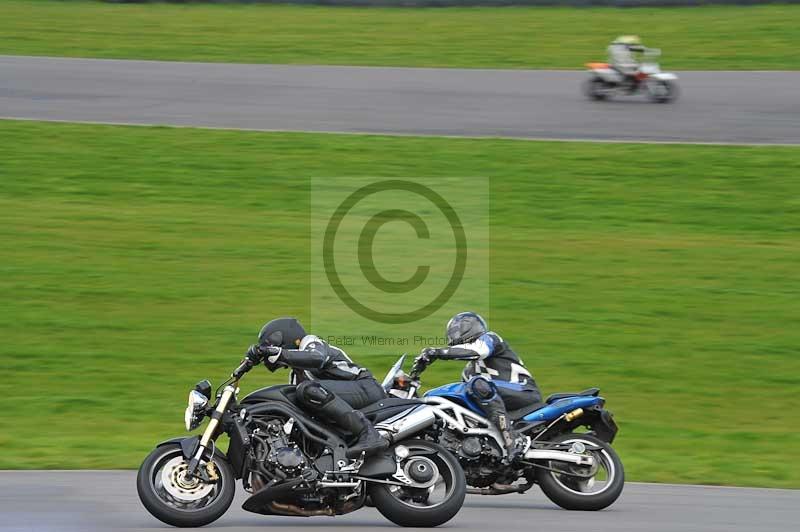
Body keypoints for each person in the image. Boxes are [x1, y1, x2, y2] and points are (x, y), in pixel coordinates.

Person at [244, 317, 389, 457]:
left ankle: (369, 433)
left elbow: (316, 358)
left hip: (366, 387)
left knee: (307, 390)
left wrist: (278, 353)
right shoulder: (296, 375)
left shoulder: (311, 343)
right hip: (350, 396)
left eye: (272, 344)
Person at [414, 312, 541, 463]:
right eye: (453, 331)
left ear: (473, 326)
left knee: (477, 383)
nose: (456, 334)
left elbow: (478, 351)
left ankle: (511, 439)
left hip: (522, 390)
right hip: (501, 397)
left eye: (460, 329)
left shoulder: (491, 339)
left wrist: (438, 352)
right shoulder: (468, 373)